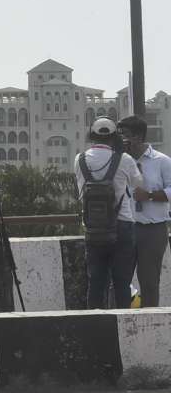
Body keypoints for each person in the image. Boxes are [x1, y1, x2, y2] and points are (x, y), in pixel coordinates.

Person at [75, 118, 145, 309]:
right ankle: (122, 326)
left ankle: (94, 327)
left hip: (93, 227)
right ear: (114, 137)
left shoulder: (79, 159)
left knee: (96, 283)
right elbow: (138, 184)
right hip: (122, 225)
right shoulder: (125, 159)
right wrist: (123, 153)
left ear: (92, 135)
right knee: (122, 284)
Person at [119, 115, 171, 307]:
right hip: (124, 228)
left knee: (149, 282)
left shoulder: (161, 161)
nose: (122, 140)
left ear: (138, 136)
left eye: (125, 135)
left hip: (152, 229)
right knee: (119, 280)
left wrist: (148, 195)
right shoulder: (119, 162)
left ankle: (150, 325)